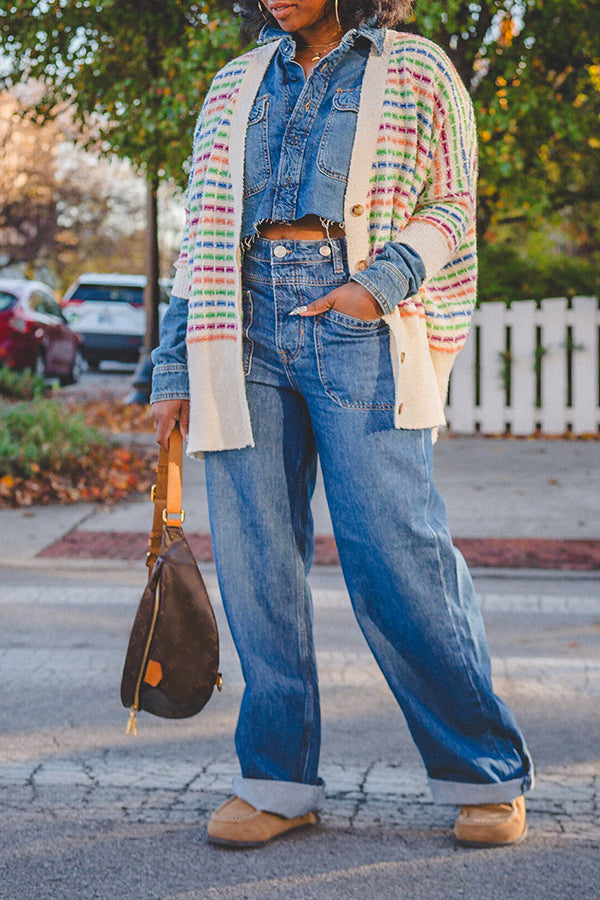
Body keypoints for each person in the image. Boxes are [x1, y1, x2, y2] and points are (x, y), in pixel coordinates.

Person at [151, 0, 534, 849]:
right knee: (258, 571)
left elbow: (452, 203)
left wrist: (380, 284)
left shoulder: (415, 68)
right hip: (241, 325)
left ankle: (483, 770)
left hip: (357, 321)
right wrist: (175, 364)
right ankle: (278, 782)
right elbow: (198, 232)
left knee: (397, 556)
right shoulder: (231, 83)